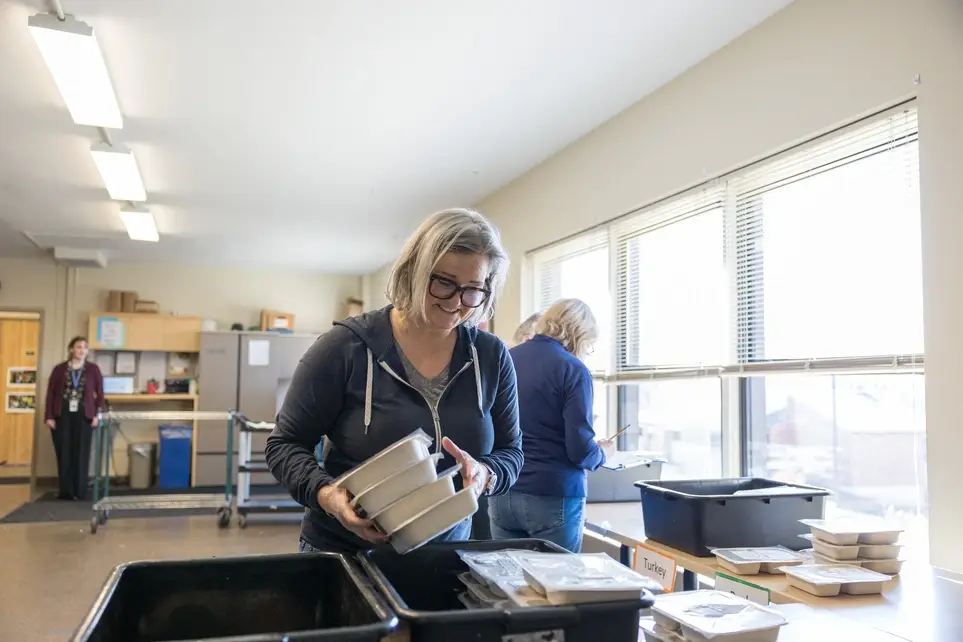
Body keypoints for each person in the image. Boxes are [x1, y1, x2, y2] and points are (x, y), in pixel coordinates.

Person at [266, 208, 523, 554]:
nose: (456, 303)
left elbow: (512, 452)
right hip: (346, 553)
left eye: (472, 289)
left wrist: (486, 474)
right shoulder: (345, 348)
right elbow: (284, 444)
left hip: (445, 555)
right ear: (414, 270)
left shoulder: (490, 357)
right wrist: (327, 495)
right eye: (444, 282)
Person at [489, 299, 613, 552]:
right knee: (556, 586)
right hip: (553, 495)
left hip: (503, 489)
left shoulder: (505, 358)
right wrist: (602, 454)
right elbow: (580, 450)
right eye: (588, 344)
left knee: (505, 584)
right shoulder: (573, 369)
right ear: (579, 334)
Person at [471, 312, 543, 541]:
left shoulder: (497, 359)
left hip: (498, 483)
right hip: (532, 486)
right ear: (529, 338)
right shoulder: (493, 359)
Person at [43, 336, 104, 500]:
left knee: (81, 451)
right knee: (64, 451)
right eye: (78, 347)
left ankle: (80, 490)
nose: (82, 350)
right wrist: (49, 416)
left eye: (85, 347)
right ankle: (66, 490)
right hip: (62, 413)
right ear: (71, 349)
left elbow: (100, 394)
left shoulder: (93, 369)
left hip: (84, 414)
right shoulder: (59, 369)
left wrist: (97, 414)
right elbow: (51, 393)